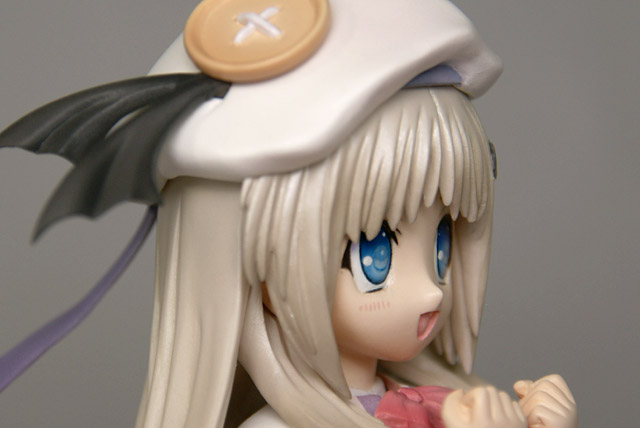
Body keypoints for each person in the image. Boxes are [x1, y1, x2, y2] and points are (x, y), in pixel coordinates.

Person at [0, 1, 577, 427]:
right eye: (374, 254)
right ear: (263, 268)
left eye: (442, 243)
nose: (431, 289)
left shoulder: (435, 406)